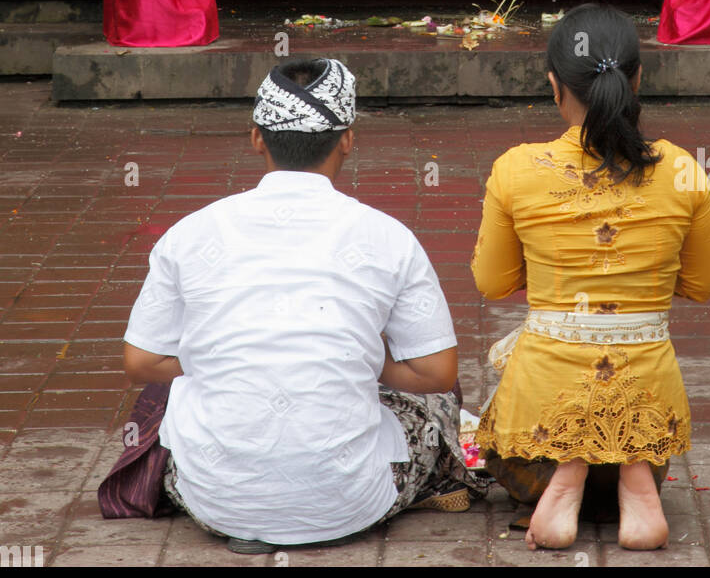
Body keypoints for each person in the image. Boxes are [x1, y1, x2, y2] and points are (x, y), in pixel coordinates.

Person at [119, 58, 483, 552]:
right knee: (438, 401)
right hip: (353, 502)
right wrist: (364, 359)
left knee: (164, 390)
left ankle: (251, 513)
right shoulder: (389, 237)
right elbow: (437, 374)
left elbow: (140, 362)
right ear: (347, 139)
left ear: (256, 138)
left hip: (213, 501)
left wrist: (217, 354)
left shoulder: (190, 232)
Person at [471, 4, 710, 552]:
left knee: (514, 392)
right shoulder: (682, 170)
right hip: (645, 442)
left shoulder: (516, 169)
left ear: (555, 85)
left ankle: (566, 477)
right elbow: (702, 285)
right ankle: (636, 490)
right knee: (633, 424)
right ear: (636, 79)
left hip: (529, 458)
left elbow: (491, 283)